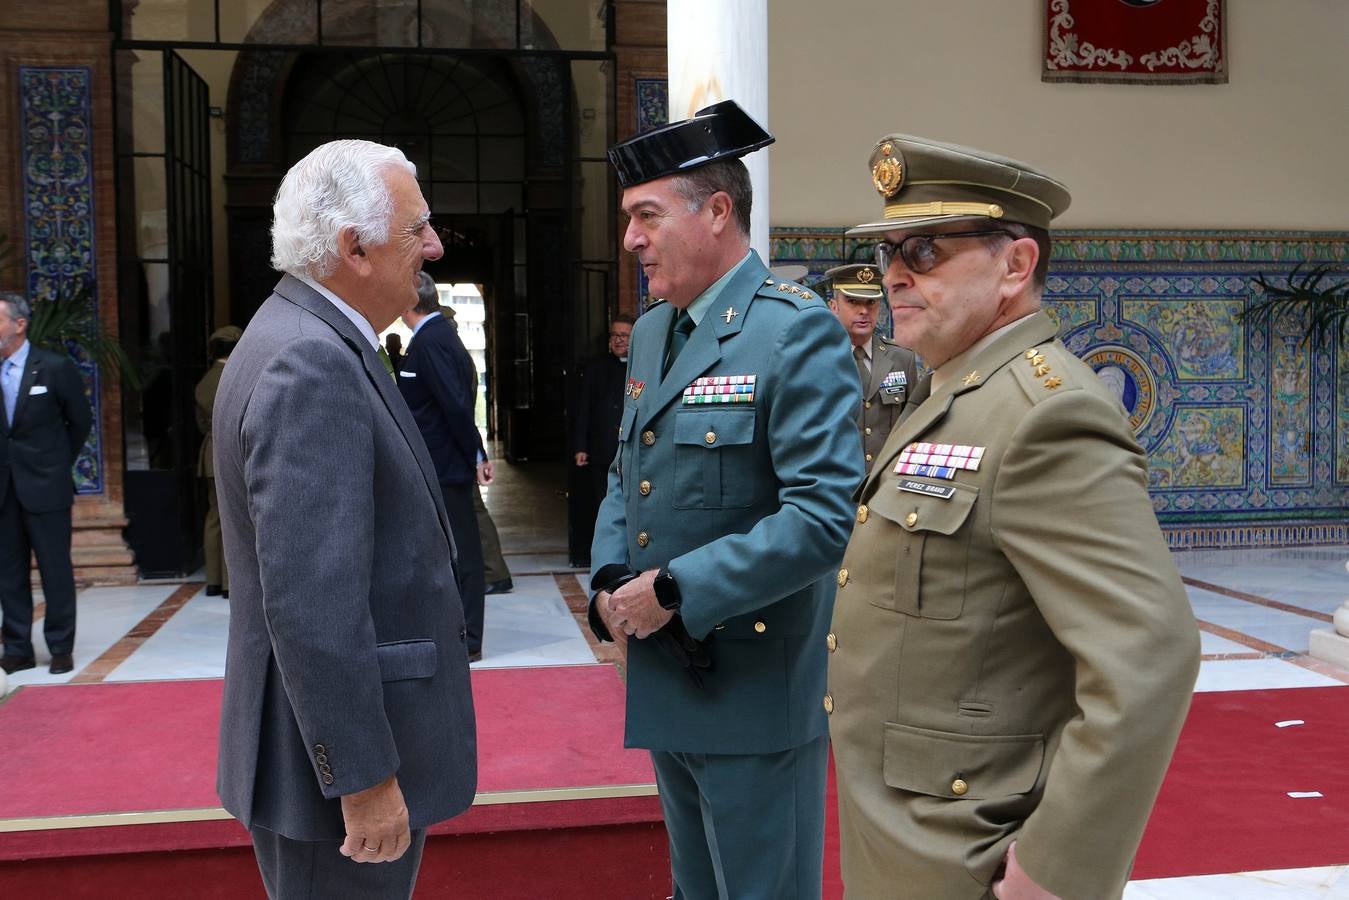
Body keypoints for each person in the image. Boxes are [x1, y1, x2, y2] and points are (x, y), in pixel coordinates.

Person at [828, 134, 1200, 900]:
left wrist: (1057, 870)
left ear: (1015, 265)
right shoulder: (954, 390)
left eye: (925, 250)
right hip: (902, 829)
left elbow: (1147, 655)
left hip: (969, 851)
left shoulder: (1044, 413)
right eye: (888, 252)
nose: (894, 274)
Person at [590, 100, 863, 898]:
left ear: (716, 211)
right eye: (628, 219)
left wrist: (677, 589)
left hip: (750, 679)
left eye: (647, 215)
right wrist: (610, 577)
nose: (632, 239)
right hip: (667, 668)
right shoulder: (652, 331)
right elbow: (625, 472)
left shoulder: (792, 331)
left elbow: (821, 518)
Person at [212, 140, 476, 899]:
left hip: (321, 754)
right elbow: (311, 601)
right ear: (352, 248)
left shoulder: (306, 333)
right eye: (414, 230)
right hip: (334, 777)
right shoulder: (310, 361)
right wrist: (362, 777)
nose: (431, 246)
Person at [0, 292, 92, 676]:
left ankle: (60, 647)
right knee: (9, 572)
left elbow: (80, 421)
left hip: (47, 487)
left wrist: (56, 464)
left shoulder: (52, 367)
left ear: (19, 325)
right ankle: (17, 647)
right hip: (4, 489)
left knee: (55, 570)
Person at [399, 271, 488, 662]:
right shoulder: (430, 339)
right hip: (436, 463)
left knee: (464, 552)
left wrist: (476, 453)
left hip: (445, 465)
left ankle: (469, 638)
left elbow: (455, 404)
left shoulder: (432, 341)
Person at [825, 263, 920, 473]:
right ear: (833, 306)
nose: (864, 311)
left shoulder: (902, 359)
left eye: (871, 303)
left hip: (884, 483)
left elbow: (914, 427)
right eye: (852, 302)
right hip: (836, 487)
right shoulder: (818, 360)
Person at [569, 314, 633, 567]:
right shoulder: (597, 367)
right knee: (604, 506)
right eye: (614, 335)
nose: (618, 340)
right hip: (602, 448)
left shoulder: (642, 363)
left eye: (623, 335)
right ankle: (607, 560)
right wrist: (581, 446)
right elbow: (584, 408)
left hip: (631, 449)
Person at [194, 324, 240, 599]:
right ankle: (229, 583)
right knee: (234, 518)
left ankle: (213, 579)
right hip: (233, 449)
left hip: (210, 450)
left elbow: (201, 423)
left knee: (214, 518)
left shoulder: (204, 381)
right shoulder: (235, 375)